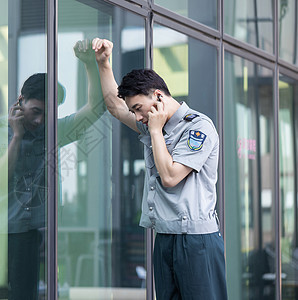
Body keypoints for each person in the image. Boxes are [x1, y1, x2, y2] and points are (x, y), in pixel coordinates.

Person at [0, 39, 106, 300]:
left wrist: (91, 64)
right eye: (35, 111)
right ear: (20, 101)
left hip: (25, 236)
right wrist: (16, 137)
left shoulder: (51, 131)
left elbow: (96, 108)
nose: (40, 120)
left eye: (47, 114)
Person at [91, 38, 227, 300]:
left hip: (196, 241)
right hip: (165, 237)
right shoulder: (154, 122)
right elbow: (115, 108)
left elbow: (170, 176)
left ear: (158, 96)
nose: (138, 117)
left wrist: (154, 130)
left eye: (139, 109)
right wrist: (103, 63)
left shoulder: (197, 127)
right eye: (135, 112)